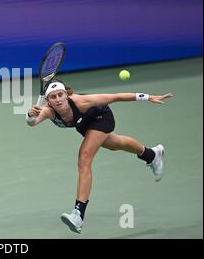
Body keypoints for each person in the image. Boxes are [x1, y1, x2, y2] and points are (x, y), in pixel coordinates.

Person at [26, 80, 173, 233]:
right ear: (48, 101)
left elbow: (115, 97)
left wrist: (147, 97)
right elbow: (32, 122)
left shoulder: (82, 102)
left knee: (84, 158)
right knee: (115, 144)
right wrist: (30, 115)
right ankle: (152, 155)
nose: (58, 99)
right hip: (84, 125)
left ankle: (78, 214)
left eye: (60, 95)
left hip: (102, 117)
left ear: (66, 94)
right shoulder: (48, 111)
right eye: (53, 97)